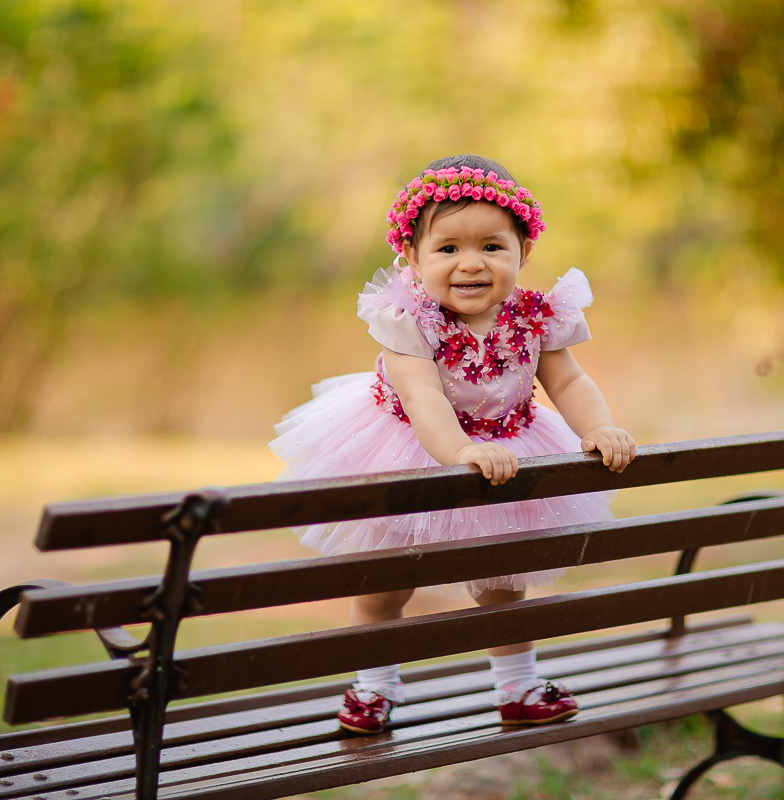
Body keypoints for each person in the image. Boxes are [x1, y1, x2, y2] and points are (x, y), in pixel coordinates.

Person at [270, 154, 636, 734]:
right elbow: (423, 399)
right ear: (412, 257)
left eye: (493, 246)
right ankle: (374, 687)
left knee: (502, 583)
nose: (471, 264)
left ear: (523, 253)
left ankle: (517, 686)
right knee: (386, 582)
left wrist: (597, 427)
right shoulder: (408, 320)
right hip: (405, 451)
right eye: (448, 249)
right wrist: (460, 452)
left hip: (507, 448)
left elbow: (567, 380)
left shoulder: (536, 317)